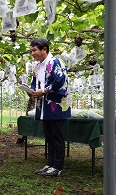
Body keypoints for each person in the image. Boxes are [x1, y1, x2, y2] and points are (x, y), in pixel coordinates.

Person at [30, 38, 71, 177]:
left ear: (44, 49)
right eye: (32, 50)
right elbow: (34, 82)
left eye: (35, 50)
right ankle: (50, 164)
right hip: (44, 107)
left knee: (57, 137)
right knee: (49, 137)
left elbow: (60, 80)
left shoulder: (56, 62)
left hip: (56, 106)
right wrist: (32, 91)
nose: (32, 53)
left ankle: (58, 167)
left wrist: (44, 91)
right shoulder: (37, 66)